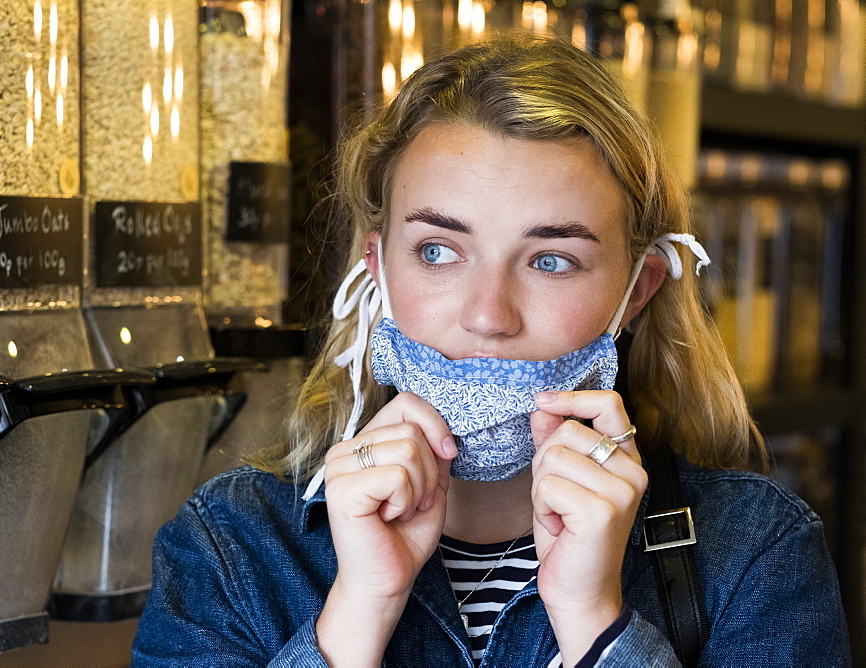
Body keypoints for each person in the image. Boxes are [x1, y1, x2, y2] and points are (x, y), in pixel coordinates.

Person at [132, 35, 850, 666]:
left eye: (551, 260)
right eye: (439, 251)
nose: (487, 316)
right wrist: (358, 614)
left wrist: (596, 626)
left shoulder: (756, 552)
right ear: (379, 272)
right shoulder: (231, 549)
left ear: (636, 291)